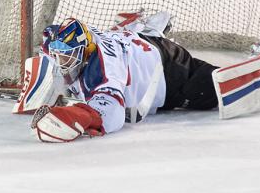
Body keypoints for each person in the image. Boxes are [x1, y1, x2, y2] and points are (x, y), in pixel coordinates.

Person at [31, 17, 220, 142]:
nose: (59, 61)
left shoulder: (104, 72)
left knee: (203, 90)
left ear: (84, 51)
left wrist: (74, 117)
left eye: (65, 56)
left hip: (168, 67)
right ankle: (144, 26)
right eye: (55, 55)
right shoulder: (85, 42)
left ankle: (239, 80)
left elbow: (111, 113)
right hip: (136, 44)